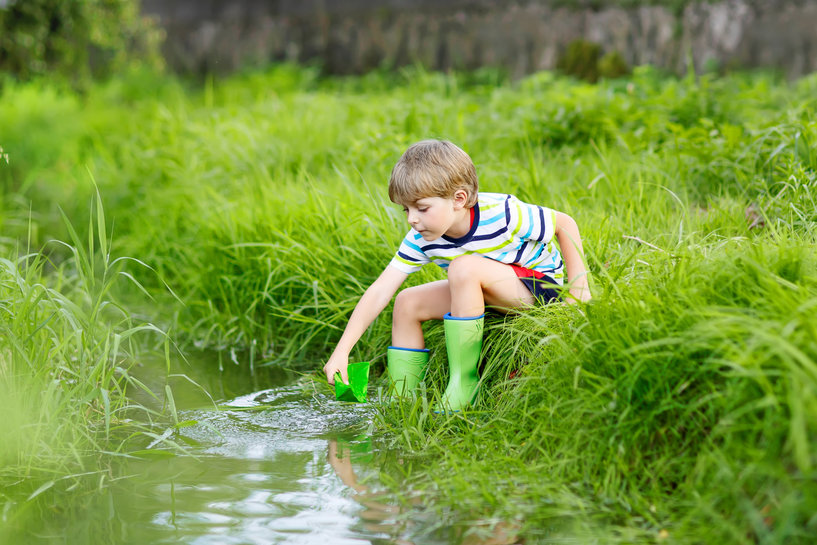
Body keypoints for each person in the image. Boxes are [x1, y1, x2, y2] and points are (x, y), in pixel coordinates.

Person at [323, 140, 591, 411]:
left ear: (459, 199)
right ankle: (404, 399)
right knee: (407, 302)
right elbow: (381, 289)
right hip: (483, 291)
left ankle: (464, 383)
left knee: (462, 267)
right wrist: (342, 350)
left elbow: (564, 223)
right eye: (406, 210)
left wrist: (580, 289)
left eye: (422, 208)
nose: (412, 220)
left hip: (538, 290)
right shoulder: (421, 237)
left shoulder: (503, 212)